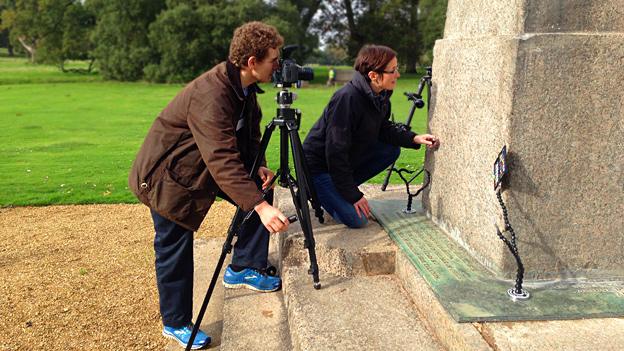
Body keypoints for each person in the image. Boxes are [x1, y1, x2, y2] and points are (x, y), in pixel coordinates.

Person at [128, 22, 290, 349]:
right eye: (273, 59)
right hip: (167, 178)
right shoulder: (212, 94)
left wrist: (256, 164)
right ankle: (175, 323)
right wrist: (259, 207)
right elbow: (220, 158)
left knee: (261, 188)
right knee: (174, 247)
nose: (279, 65)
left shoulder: (242, 88)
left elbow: (247, 134)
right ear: (251, 62)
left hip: (197, 167)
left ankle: (243, 266)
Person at [303, 45, 440, 229]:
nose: (397, 75)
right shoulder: (347, 98)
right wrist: (354, 195)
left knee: (390, 150)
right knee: (357, 219)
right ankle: (319, 193)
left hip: (341, 162)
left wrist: (414, 138)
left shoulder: (380, 96)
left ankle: (337, 194)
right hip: (319, 168)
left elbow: (383, 129)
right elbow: (335, 152)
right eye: (392, 71)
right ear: (373, 75)